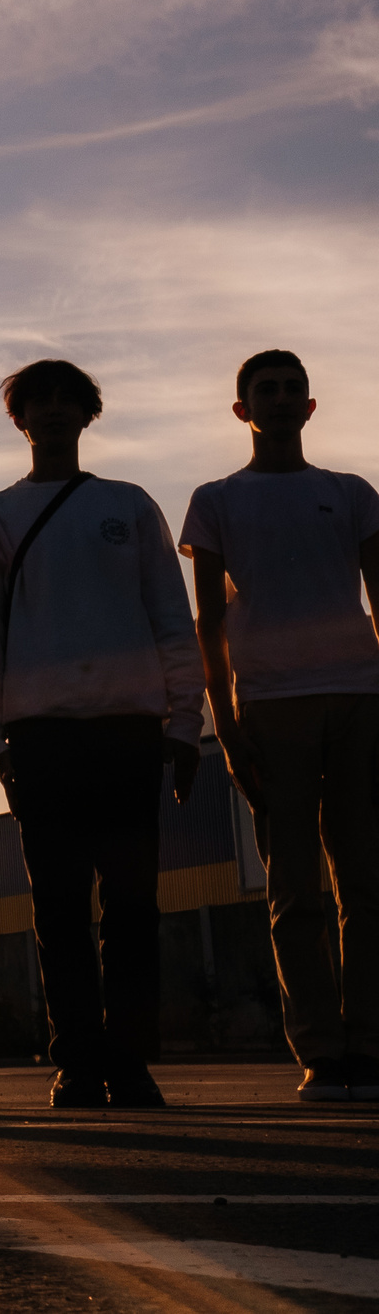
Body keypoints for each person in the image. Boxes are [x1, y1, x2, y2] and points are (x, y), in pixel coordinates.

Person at [0, 359, 204, 1109]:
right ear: (20, 418)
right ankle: (78, 1063)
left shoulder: (129, 505)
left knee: (131, 906)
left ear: (88, 413)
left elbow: (171, 616)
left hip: (129, 732)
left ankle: (129, 1061)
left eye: (69, 399)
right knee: (58, 909)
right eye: (39, 401)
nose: (55, 410)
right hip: (39, 738)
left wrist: (186, 724)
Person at [181, 349, 379, 1104]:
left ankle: (370, 1044)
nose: (283, 397)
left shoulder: (352, 493)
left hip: (359, 696)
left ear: (311, 405)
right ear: (243, 410)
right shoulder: (216, 500)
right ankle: (322, 1053)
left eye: (294, 387)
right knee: (294, 887)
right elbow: (209, 624)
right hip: (271, 704)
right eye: (268, 388)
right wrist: (225, 727)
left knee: (366, 880)